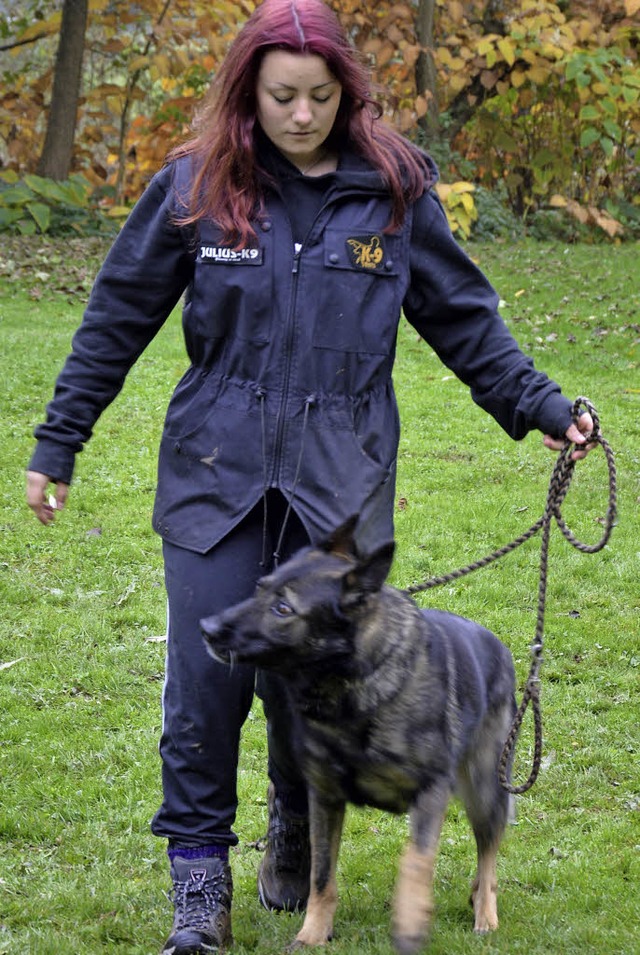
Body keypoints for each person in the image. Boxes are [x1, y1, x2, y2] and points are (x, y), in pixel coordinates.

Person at [26, 1, 595, 951]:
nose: (301, 115)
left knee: (322, 683)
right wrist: (58, 441)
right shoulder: (195, 187)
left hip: (342, 486)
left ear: (347, 92)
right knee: (208, 687)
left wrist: (542, 405)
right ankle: (199, 891)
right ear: (249, 90)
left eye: (320, 96)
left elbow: (464, 319)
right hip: (217, 474)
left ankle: (297, 819)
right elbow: (114, 318)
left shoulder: (396, 191)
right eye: (282, 96)